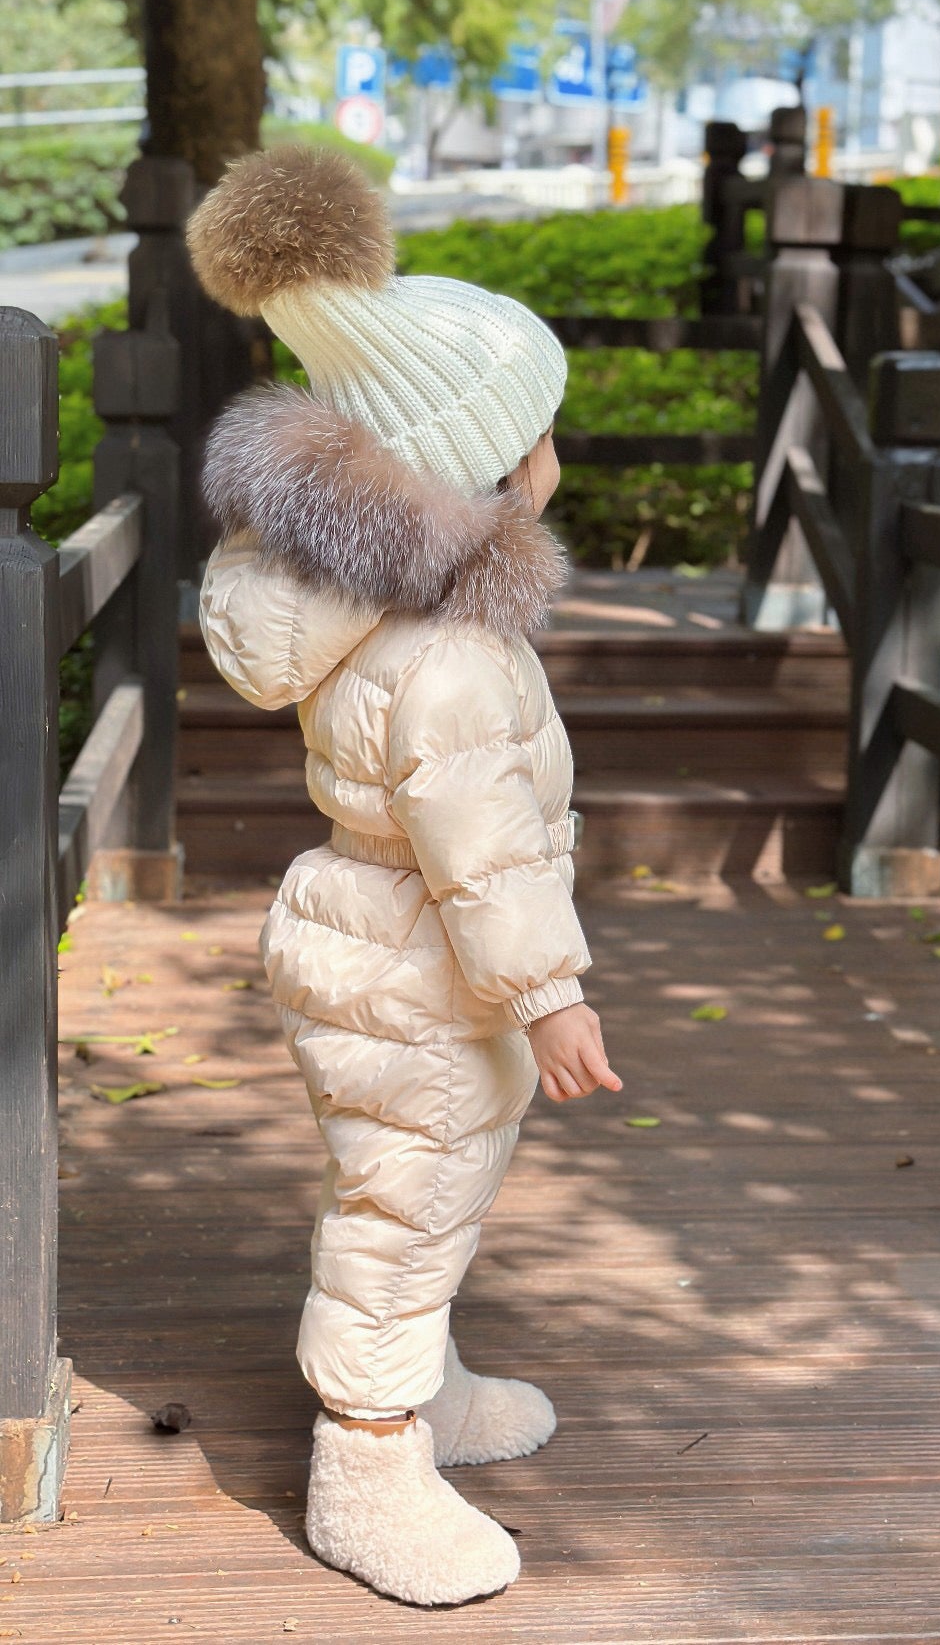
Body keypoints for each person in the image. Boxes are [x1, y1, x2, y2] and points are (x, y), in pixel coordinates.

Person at [186, 146, 622, 1607]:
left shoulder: (386, 612)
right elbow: (481, 850)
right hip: (425, 960)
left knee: (413, 1181)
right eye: (541, 432)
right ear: (481, 467)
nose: (556, 453)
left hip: (381, 942)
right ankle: (368, 1462)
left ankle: (420, 1383)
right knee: (405, 1204)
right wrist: (552, 997)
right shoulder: (450, 657)